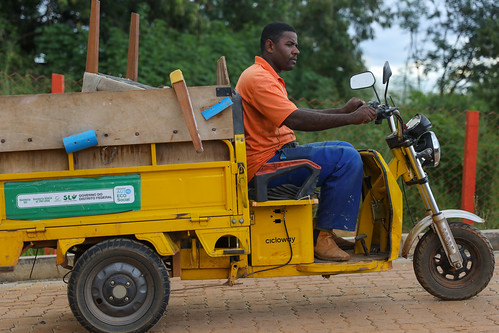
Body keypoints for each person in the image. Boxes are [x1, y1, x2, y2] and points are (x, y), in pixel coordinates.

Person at [235, 22, 377, 261]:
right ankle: (323, 240)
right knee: (347, 158)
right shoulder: (258, 78)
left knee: (346, 148)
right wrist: (350, 118)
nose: (296, 51)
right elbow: (295, 119)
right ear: (270, 46)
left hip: (277, 155)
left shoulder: (266, 76)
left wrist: (343, 111)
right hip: (265, 164)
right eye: (290, 44)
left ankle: (325, 232)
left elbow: (294, 113)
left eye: (296, 45)